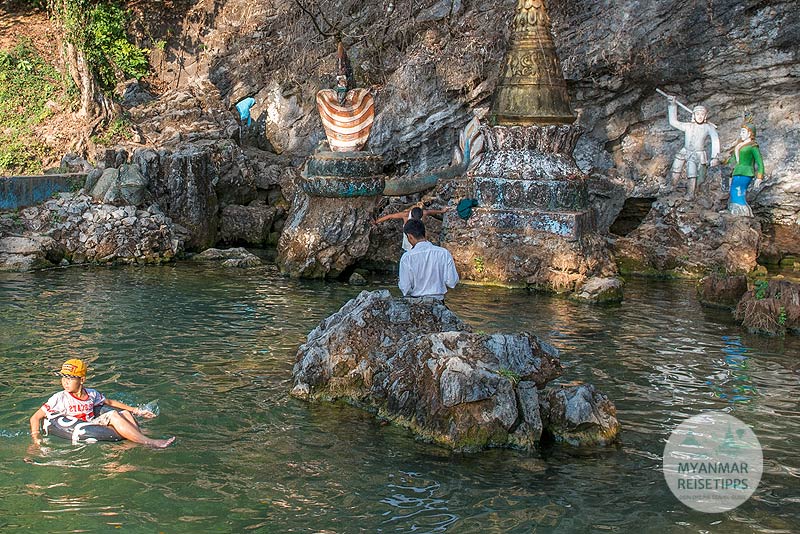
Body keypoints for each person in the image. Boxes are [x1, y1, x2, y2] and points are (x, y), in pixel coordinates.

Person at [29, 358, 175, 448]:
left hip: (93, 422)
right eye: (63, 378)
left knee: (124, 413)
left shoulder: (91, 394)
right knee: (113, 415)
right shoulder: (59, 398)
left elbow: (110, 402)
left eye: (70, 378)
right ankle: (150, 442)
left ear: (82, 380)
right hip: (81, 427)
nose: (65, 382)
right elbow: (35, 417)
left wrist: (136, 410)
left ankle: (136, 438)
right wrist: (36, 439)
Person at [666, 95, 720, 197]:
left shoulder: (709, 128)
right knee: (676, 168)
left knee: (692, 173)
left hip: (697, 153)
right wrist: (672, 104)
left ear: (705, 116)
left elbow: (715, 141)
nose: (700, 116)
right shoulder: (688, 126)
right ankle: (672, 187)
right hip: (685, 151)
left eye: (702, 114)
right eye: (697, 114)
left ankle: (690, 193)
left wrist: (715, 157)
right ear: (693, 115)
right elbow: (673, 122)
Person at [398, 219, 459, 299]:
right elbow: (452, 282)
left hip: (417, 304)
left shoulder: (407, 257)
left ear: (410, 236)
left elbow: (405, 288)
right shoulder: (444, 253)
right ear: (425, 234)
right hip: (439, 303)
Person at [726, 122, 765, 217]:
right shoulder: (740, 145)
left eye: (743, 132)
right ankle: (736, 211)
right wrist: (724, 161)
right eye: (741, 132)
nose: (741, 134)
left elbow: (760, 162)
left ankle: (742, 213)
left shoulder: (753, 147)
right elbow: (733, 159)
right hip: (737, 171)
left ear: (750, 133)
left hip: (746, 172)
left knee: (738, 191)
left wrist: (759, 176)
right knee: (734, 191)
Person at [374, 204, 449, 252]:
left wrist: (442, 211)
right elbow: (390, 216)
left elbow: (431, 211)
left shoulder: (424, 213)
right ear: (412, 215)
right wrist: (376, 222)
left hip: (420, 239)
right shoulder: (405, 215)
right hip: (408, 240)